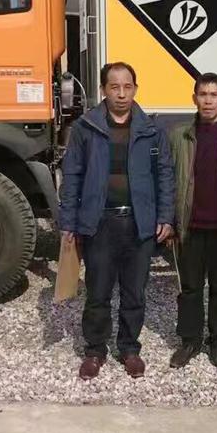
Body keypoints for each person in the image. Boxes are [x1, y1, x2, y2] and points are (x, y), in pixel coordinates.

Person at [59, 62, 175, 381]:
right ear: (103, 90)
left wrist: (165, 216)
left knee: (134, 292)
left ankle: (129, 349)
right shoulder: (86, 128)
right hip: (100, 223)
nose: (121, 94)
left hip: (139, 224)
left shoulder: (152, 130)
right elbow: (72, 176)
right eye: (114, 87)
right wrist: (68, 222)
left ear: (135, 88)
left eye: (127, 87)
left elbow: (165, 175)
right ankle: (95, 350)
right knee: (98, 292)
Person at [167, 73, 217, 370]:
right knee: (190, 287)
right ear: (194, 98)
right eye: (203, 94)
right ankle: (190, 340)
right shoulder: (179, 135)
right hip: (190, 226)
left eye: (214, 95)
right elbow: (168, 180)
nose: (208, 101)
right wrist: (170, 221)